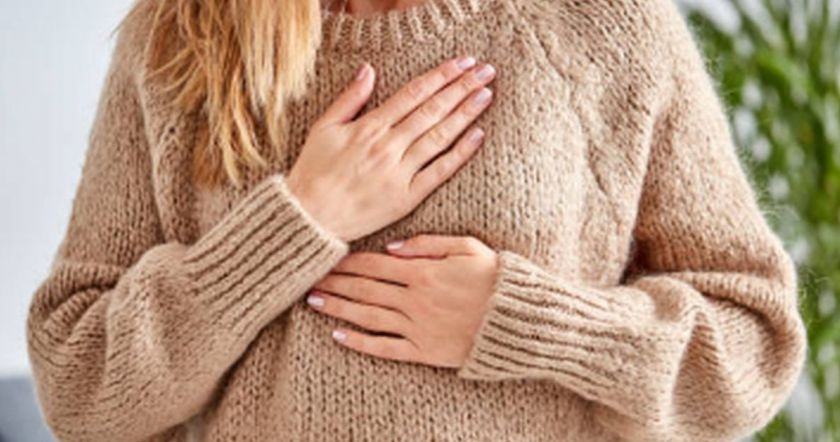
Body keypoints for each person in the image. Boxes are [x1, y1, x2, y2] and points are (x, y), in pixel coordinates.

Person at [25, 0, 808, 440]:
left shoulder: (603, 25)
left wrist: (527, 322)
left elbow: (753, 346)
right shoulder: (187, 30)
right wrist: (296, 223)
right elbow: (77, 385)